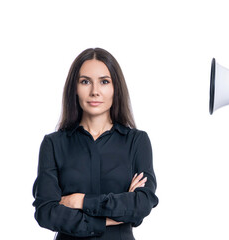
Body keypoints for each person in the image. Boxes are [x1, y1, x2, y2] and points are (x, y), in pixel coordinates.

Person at [32, 48, 159, 240]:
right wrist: (110, 218)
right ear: (74, 88)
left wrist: (81, 201)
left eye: (104, 82)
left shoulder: (136, 141)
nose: (95, 91)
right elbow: (46, 212)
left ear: (116, 87)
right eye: (85, 82)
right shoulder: (53, 144)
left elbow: (142, 203)